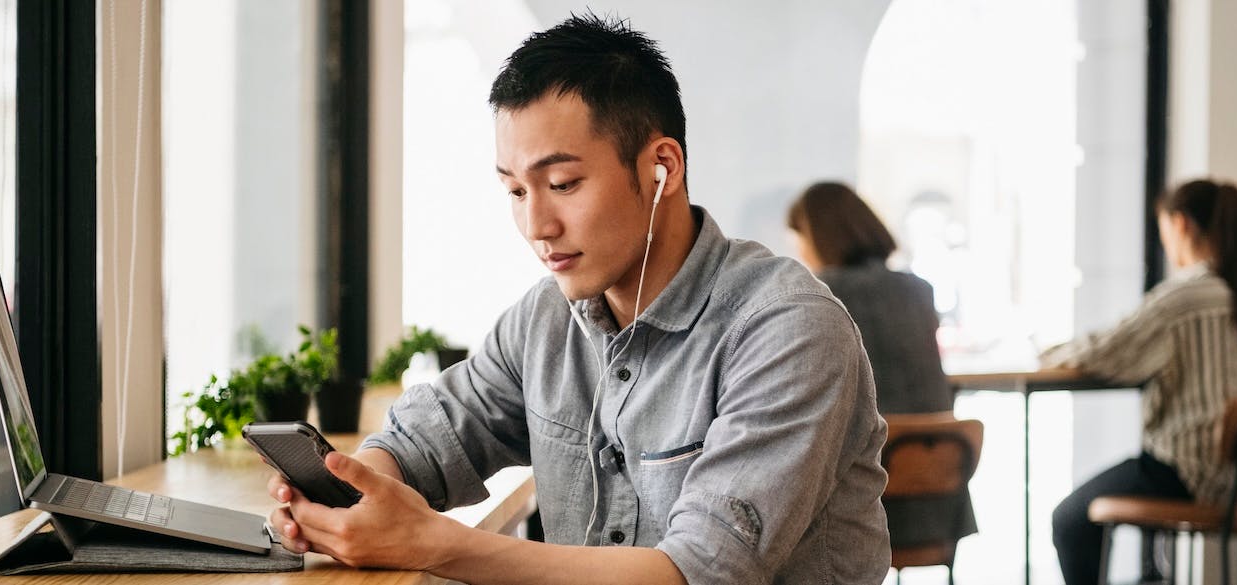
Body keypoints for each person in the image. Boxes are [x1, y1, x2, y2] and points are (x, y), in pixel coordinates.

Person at [266, 13, 891, 585]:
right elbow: (425, 440)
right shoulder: (545, 319)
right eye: (515, 191)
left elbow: (702, 572)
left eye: (562, 183)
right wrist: (356, 492)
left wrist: (431, 543)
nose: (537, 225)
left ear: (661, 169)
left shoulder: (788, 328)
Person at [1044, 179, 1237, 585]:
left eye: (1164, 230)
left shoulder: (1186, 296)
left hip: (1188, 473)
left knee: (1069, 521)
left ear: (1180, 224)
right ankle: (1153, 572)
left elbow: (1109, 351)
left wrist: (1048, 354)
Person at [787, 181, 977, 549]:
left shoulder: (820, 294)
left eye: (799, 237)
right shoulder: (919, 289)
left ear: (816, 236)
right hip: (939, 498)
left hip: (866, 508)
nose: (798, 250)